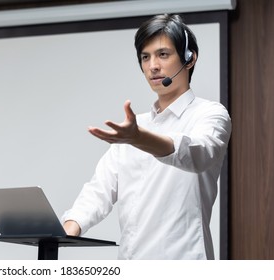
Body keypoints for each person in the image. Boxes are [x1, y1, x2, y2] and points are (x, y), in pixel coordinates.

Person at [62, 14, 232, 260]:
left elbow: (199, 154)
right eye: (145, 57)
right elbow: (99, 191)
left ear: (189, 58)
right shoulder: (135, 126)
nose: (152, 65)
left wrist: (139, 139)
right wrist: (69, 228)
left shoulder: (210, 114)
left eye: (163, 54)